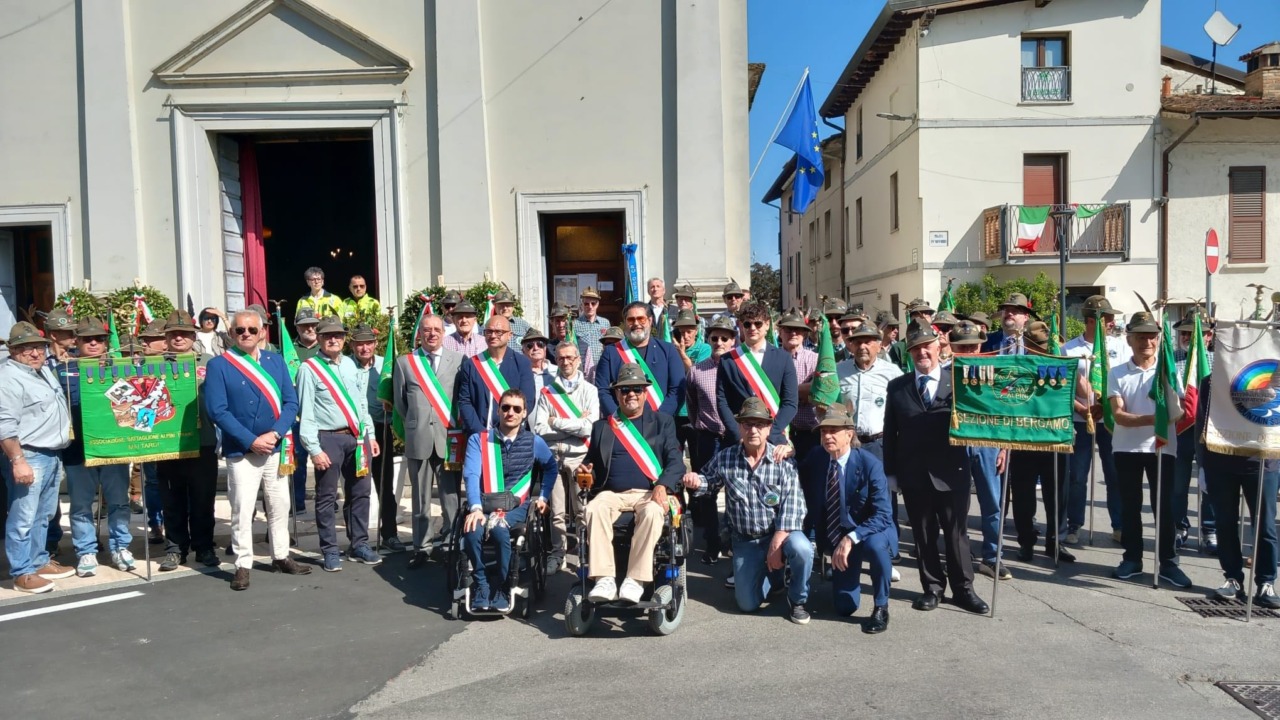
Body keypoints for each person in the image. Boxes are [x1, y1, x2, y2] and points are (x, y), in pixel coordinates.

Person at [883, 321, 989, 614]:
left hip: (951, 471)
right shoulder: (898, 387)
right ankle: (932, 588)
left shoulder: (958, 380)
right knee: (924, 534)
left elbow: (982, 413)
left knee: (956, 535)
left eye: (926, 347)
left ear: (938, 347)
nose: (922, 353)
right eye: (915, 348)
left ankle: (964, 589)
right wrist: (891, 472)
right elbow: (890, 432)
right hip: (914, 474)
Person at [205, 309, 311, 591]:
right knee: (243, 508)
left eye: (252, 330)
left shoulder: (275, 362)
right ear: (232, 334)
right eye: (240, 330)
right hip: (242, 450)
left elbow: (291, 403)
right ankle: (243, 564)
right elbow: (217, 411)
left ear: (263, 332)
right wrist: (252, 439)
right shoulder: (220, 365)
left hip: (274, 447)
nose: (246, 335)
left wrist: (275, 433)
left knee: (280, 505)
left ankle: (280, 555)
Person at [685, 397, 813, 624]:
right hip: (745, 541)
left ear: (768, 427)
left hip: (780, 536)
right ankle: (775, 578)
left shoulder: (781, 459)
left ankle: (797, 599)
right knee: (747, 604)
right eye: (747, 424)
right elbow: (709, 481)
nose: (753, 430)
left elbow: (795, 504)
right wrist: (695, 480)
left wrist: (777, 541)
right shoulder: (725, 457)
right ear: (740, 427)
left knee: (802, 548)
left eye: (759, 424)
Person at [581, 363, 684, 604]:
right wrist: (586, 471)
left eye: (637, 389)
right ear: (617, 393)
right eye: (625, 390)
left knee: (651, 513)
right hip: (612, 493)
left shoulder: (662, 422)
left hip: (649, 493)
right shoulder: (602, 427)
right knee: (593, 508)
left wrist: (663, 485)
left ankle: (635, 580)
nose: (631, 394)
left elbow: (676, 463)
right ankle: (604, 578)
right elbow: (591, 464)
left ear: (645, 393)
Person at [1107, 311, 1189, 587]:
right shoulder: (1116, 373)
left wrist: (1165, 419)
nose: (1147, 342)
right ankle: (1132, 558)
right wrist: (1157, 419)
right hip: (1126, 449)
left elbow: (1179, 410)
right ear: (1129, 340)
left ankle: (1168, 562)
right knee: (1130, 506)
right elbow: (1119, 416)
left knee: (1164, 508)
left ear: (1158, 340)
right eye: (1141, 337)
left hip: (1162, 448)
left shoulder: (1169, 370)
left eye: (1152, 337)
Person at [297, 317, 382, 572]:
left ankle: (359, 544)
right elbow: (306, 412)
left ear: (345, 339)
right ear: (319, 339)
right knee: (326, 496)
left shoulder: (350, 365)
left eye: (338, 335)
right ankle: (330, 550)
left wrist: (371, 434)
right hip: (328, 438)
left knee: (361, 493)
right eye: (327, 336)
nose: (333, 339)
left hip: (357, 438)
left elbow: (362, 404)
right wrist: (313, 448)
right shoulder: (308, 369)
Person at [799, 405, 894, 633]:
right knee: (844, 607)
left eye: (834, 430)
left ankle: (881, 606)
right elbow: (795, 478)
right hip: (836, 535)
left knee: (877, 546)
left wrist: (851, 538)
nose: (827, 436)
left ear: (849, 434)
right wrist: (786, 452)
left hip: (868, 532)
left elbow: (883, 515)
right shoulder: (816, 458)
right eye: (823, 431)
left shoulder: (870, 464)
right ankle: (842, 577)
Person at [460, 389, 556, 612]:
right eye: (505, 407)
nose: (510, 412)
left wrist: (543, 497)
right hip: (484, 503)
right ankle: (482, 585)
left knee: (499, 530)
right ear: (499, 410)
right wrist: (474, 508)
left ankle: (504, 586)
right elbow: (471, 475)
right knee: (473, 530)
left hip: (516, 506)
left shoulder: (535, 442)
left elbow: (551, 467)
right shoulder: (479, 440)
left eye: (516, 409)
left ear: (524, 413)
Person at [0, 322, 74, 593]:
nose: (34, 353)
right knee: (23, 516)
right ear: (14, 350)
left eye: (38, 347)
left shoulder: (41, 371)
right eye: (26, 348)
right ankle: (22, 572)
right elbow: (4, 424)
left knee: (43, 514)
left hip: (52, 453)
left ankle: (38, 560)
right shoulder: (7, 377)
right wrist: (18, 460)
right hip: (28, 453)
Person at [59, 317, 134, 577]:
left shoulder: (120, 370)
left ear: (106, 343)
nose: (93, 343)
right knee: (80, 506)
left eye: (99, 339)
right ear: (76, 341)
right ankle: (86, 551)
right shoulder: (62, 369)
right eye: (87, 339)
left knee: (119, 503)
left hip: (114, 447)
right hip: (77, 449)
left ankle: (120, 547)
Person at [1198, 372, 1280, 608]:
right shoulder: (1212, 381)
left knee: (1264, 525)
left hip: (1264, 461)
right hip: (1221, 460)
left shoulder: (1273, 373)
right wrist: (1203, 464)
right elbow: (1203, 423)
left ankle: (1266, 581)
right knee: (1225, 523)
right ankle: (1232, 577)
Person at [393, 314, 463, 568]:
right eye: (427, 330)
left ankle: (451, 543)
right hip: (419, 438)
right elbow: (401, 404)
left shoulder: (458, 360)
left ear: (444, 333)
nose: (432, 334)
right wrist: (418, 423)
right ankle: (422, 547)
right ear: (419, 334)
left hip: (448, 440)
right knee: (420, 501)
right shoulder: (405, 363)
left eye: (436, 329)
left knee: (450, 497)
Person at [155, 310, 221, 571]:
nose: (179, 338)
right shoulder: (154, 365)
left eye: (184, 334)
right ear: (166, 337)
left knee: (203, 500)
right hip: (167, 443)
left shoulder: (210, 362)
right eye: (173, 334)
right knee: (172, 500)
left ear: (194, 336)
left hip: (203, 441)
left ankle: (204, 547)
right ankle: (175, 548)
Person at [1007, 321, 1076, 565]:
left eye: (1047, 346)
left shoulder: (1060, 364)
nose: (1044, 351)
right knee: (1024, 496)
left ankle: (1055, 541)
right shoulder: (1017, 366)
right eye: (1039, 346)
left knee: (1058, 494)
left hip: (1054, 438)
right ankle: (1026, 541)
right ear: (1028, 345)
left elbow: (1076, 396)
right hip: (1025, 439)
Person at [1061, 294, 1128, 545]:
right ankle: (1074, 524)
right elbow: (1063, 386)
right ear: (1091, 320)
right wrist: (1081, 408)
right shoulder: (1069, 349)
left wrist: (1107, 407)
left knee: (1114, 474)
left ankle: (1119, 525)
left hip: (1111, 421)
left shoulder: (1121, 347)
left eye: (1111, 318)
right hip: (1081, 419)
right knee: (1077, 475)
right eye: (1107, 318)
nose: (1111, 322)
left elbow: (1123, 382)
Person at [836, 322, 904, 568]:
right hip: (850, 444)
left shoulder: (892, 372)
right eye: (858, 341)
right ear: (851, 344)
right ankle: (847, 549)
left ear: (878, 344)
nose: (863, 346)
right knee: (848, 495)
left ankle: (887, 551)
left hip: (879, 442)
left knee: (883, 497)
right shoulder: (839, 371)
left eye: (869, 341)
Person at [948, 321, 1010, 580]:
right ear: (952, 348)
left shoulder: (996, 375)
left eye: (973, 346)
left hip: (988, 444)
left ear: (981, 346)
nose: (969, 352)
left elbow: (1007, 413)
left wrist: (1004, 448)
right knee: (956, 504)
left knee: (992, 503)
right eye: (962, 347)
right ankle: (960, 553)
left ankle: (993, 556)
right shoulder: (943, 374)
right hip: (955, 444)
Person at [532, 340, 599, 574]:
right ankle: (558, 552)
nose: (566, 362)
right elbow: (539, 428)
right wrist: (575, 423)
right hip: (552, 457)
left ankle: (583, 551)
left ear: (578, 359)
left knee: (583, 509)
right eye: (561, 358)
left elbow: (589, 428)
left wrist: (556, 421)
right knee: (556, 512)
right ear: (556, 360)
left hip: (579, 457)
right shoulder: (547, 392)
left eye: (570, 357)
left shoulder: (590, 391)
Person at [686, 316, 734, 563]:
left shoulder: (741, 367)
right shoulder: (697, 370)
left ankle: (734, 541)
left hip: (735, 438)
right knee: (707, 492)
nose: (719, 342)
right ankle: (712, 543)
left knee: (738, 490)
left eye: (724, 338)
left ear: (733, 341)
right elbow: (692, 404)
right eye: (714, 338)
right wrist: (700, 427)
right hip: (708, 437)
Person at [716, 302, 797, 448]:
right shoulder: (727, 360)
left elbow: (790, 403)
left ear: (767, 325)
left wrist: (771, 434)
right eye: (747, 324)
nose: (752, 328)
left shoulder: (784, 358)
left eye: (758, 324)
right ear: (741, 325)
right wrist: (738, 434)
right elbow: (722, 402)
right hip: (739, 440)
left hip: (774, 440)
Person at [349, 323, 400, 552]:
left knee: (385, 485)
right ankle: (356, 538)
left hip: (381, 428)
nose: (364, 347)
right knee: (355, 486)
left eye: (368, 342)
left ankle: (389, 533)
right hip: (354, 432)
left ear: (375, 344)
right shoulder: (345, 366)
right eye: (360, 343)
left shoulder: (386, 366)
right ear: (352, 345)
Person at [593, 301, 686, 417]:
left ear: (650, 320)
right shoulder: (611, 352)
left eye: (641, 319)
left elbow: (678, 389)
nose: (636, 323)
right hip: (623, 428)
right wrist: (618, 419)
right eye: (631, 320)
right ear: (625, 323)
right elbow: (602, 391)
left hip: (660, 425)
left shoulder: (668, 350)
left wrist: (660, 419)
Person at [1173, 308, 1215, 552]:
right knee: (1178, 484)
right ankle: (1179, 526)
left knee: (1208, 483)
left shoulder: (1218, 360)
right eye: (1185, 333)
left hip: (1209, 431)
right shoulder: (1170, 358)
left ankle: (1209, 529)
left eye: (1196, 333)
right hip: (1179, 429)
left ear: (1208, 336)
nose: (1189, 337)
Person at [456, 315, 536, 435]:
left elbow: (528, 401)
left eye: (499, 332)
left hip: (512, 435)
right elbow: (465, 402)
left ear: (510, 335)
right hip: (479, 436)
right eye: (489, 331)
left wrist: (508, 428)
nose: (493, 336)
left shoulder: (522, 363)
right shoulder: (471, 365)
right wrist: (479, 432)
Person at [777, 309, 820, 459]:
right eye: (788, 329)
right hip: (780, 435)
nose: (793, 333)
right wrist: (801, 392)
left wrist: (785, 393)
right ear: (780, 332)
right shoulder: (770, 359)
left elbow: (818, 391)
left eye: (798, 329)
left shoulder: (815, 359)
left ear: (805, 333)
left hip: (811, 435)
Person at [290, 308, 321, 513]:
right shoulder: (288, 352)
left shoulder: (327, 349)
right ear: (297, 328)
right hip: (296, 414)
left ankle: (325, 499)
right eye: (304, 325)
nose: (309, 328)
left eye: (312, 325)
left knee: (323, 458)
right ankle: (297, 502)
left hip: (321, 413)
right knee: (297, 459)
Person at [573, 287, 610, 381]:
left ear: (597, 304)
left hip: (601, 367)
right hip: (582, 369)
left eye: (593, 303)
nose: (590, 306)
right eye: (586, 303)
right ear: (582, 304)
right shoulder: (574, 324)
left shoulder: (605, 323)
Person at [522, 327, 556, 396]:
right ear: (523, 351)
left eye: (540, 344)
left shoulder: (557, 372)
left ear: (545, 348)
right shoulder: (520, 373)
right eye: (530, 345)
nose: (535, 348)